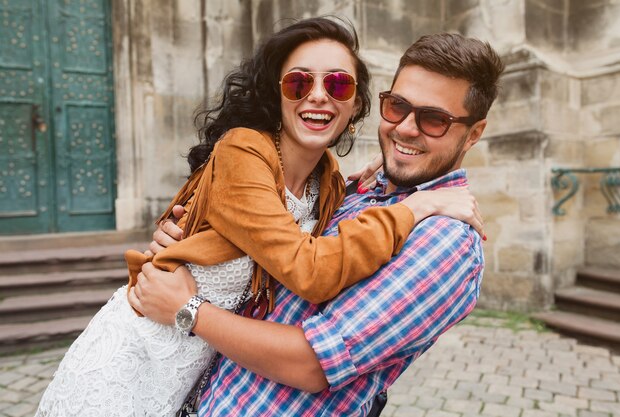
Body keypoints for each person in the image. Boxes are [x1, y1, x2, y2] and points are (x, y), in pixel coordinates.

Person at [35, 18, 483, 417]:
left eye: (340, 87)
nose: (319, 96)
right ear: (277, 92)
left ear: (355, 107)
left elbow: (311, 313)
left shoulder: (333, 184)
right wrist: (416, 205)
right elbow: (306, 265)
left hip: (187, 369)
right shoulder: (243, 149)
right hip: (134, 358)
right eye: (298, 83)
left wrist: (380, 177)